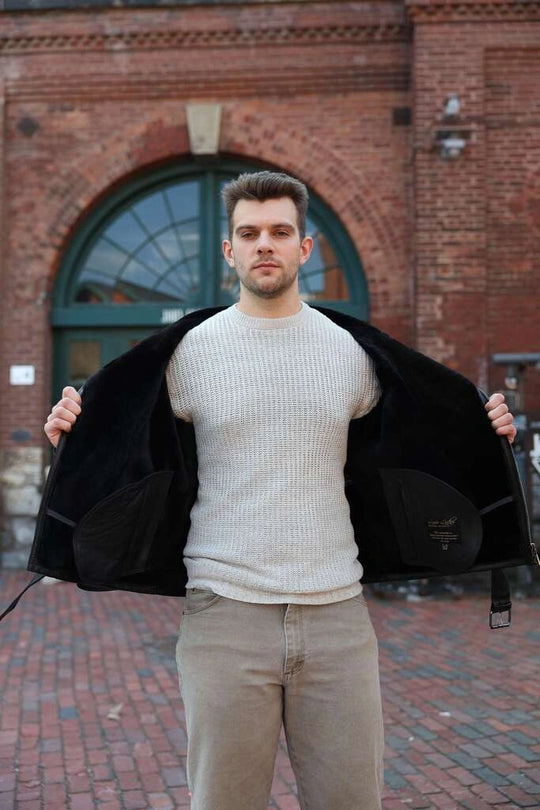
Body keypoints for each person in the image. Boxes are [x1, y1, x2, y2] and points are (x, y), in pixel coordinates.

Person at [44, 171, 517, 810]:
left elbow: (420, 436)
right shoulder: (187, 356)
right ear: (229, 252)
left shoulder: (352, 354)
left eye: (279, 231)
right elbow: (126, 448)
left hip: (337, 618)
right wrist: (71, 438)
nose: (264, 244)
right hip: (224, 615)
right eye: (249, 233)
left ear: (305, 248)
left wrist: (485, 435)